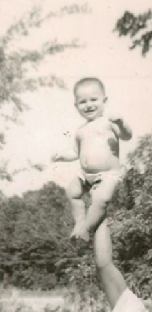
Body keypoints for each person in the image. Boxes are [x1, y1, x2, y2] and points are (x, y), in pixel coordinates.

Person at [51, 77, 132, 241]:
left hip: (108, 174)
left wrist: (122, 123)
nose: (88, 105)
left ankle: (87, 228)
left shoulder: (108, 123)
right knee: (72, 193)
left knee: (101, 199)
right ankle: (80, 222)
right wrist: (62, 157)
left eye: (93, 100)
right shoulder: (80, 130)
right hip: (85, 175)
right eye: (82, 102)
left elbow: (126, 136)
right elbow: (75, 152)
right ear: (76, 106)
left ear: (104, 100)